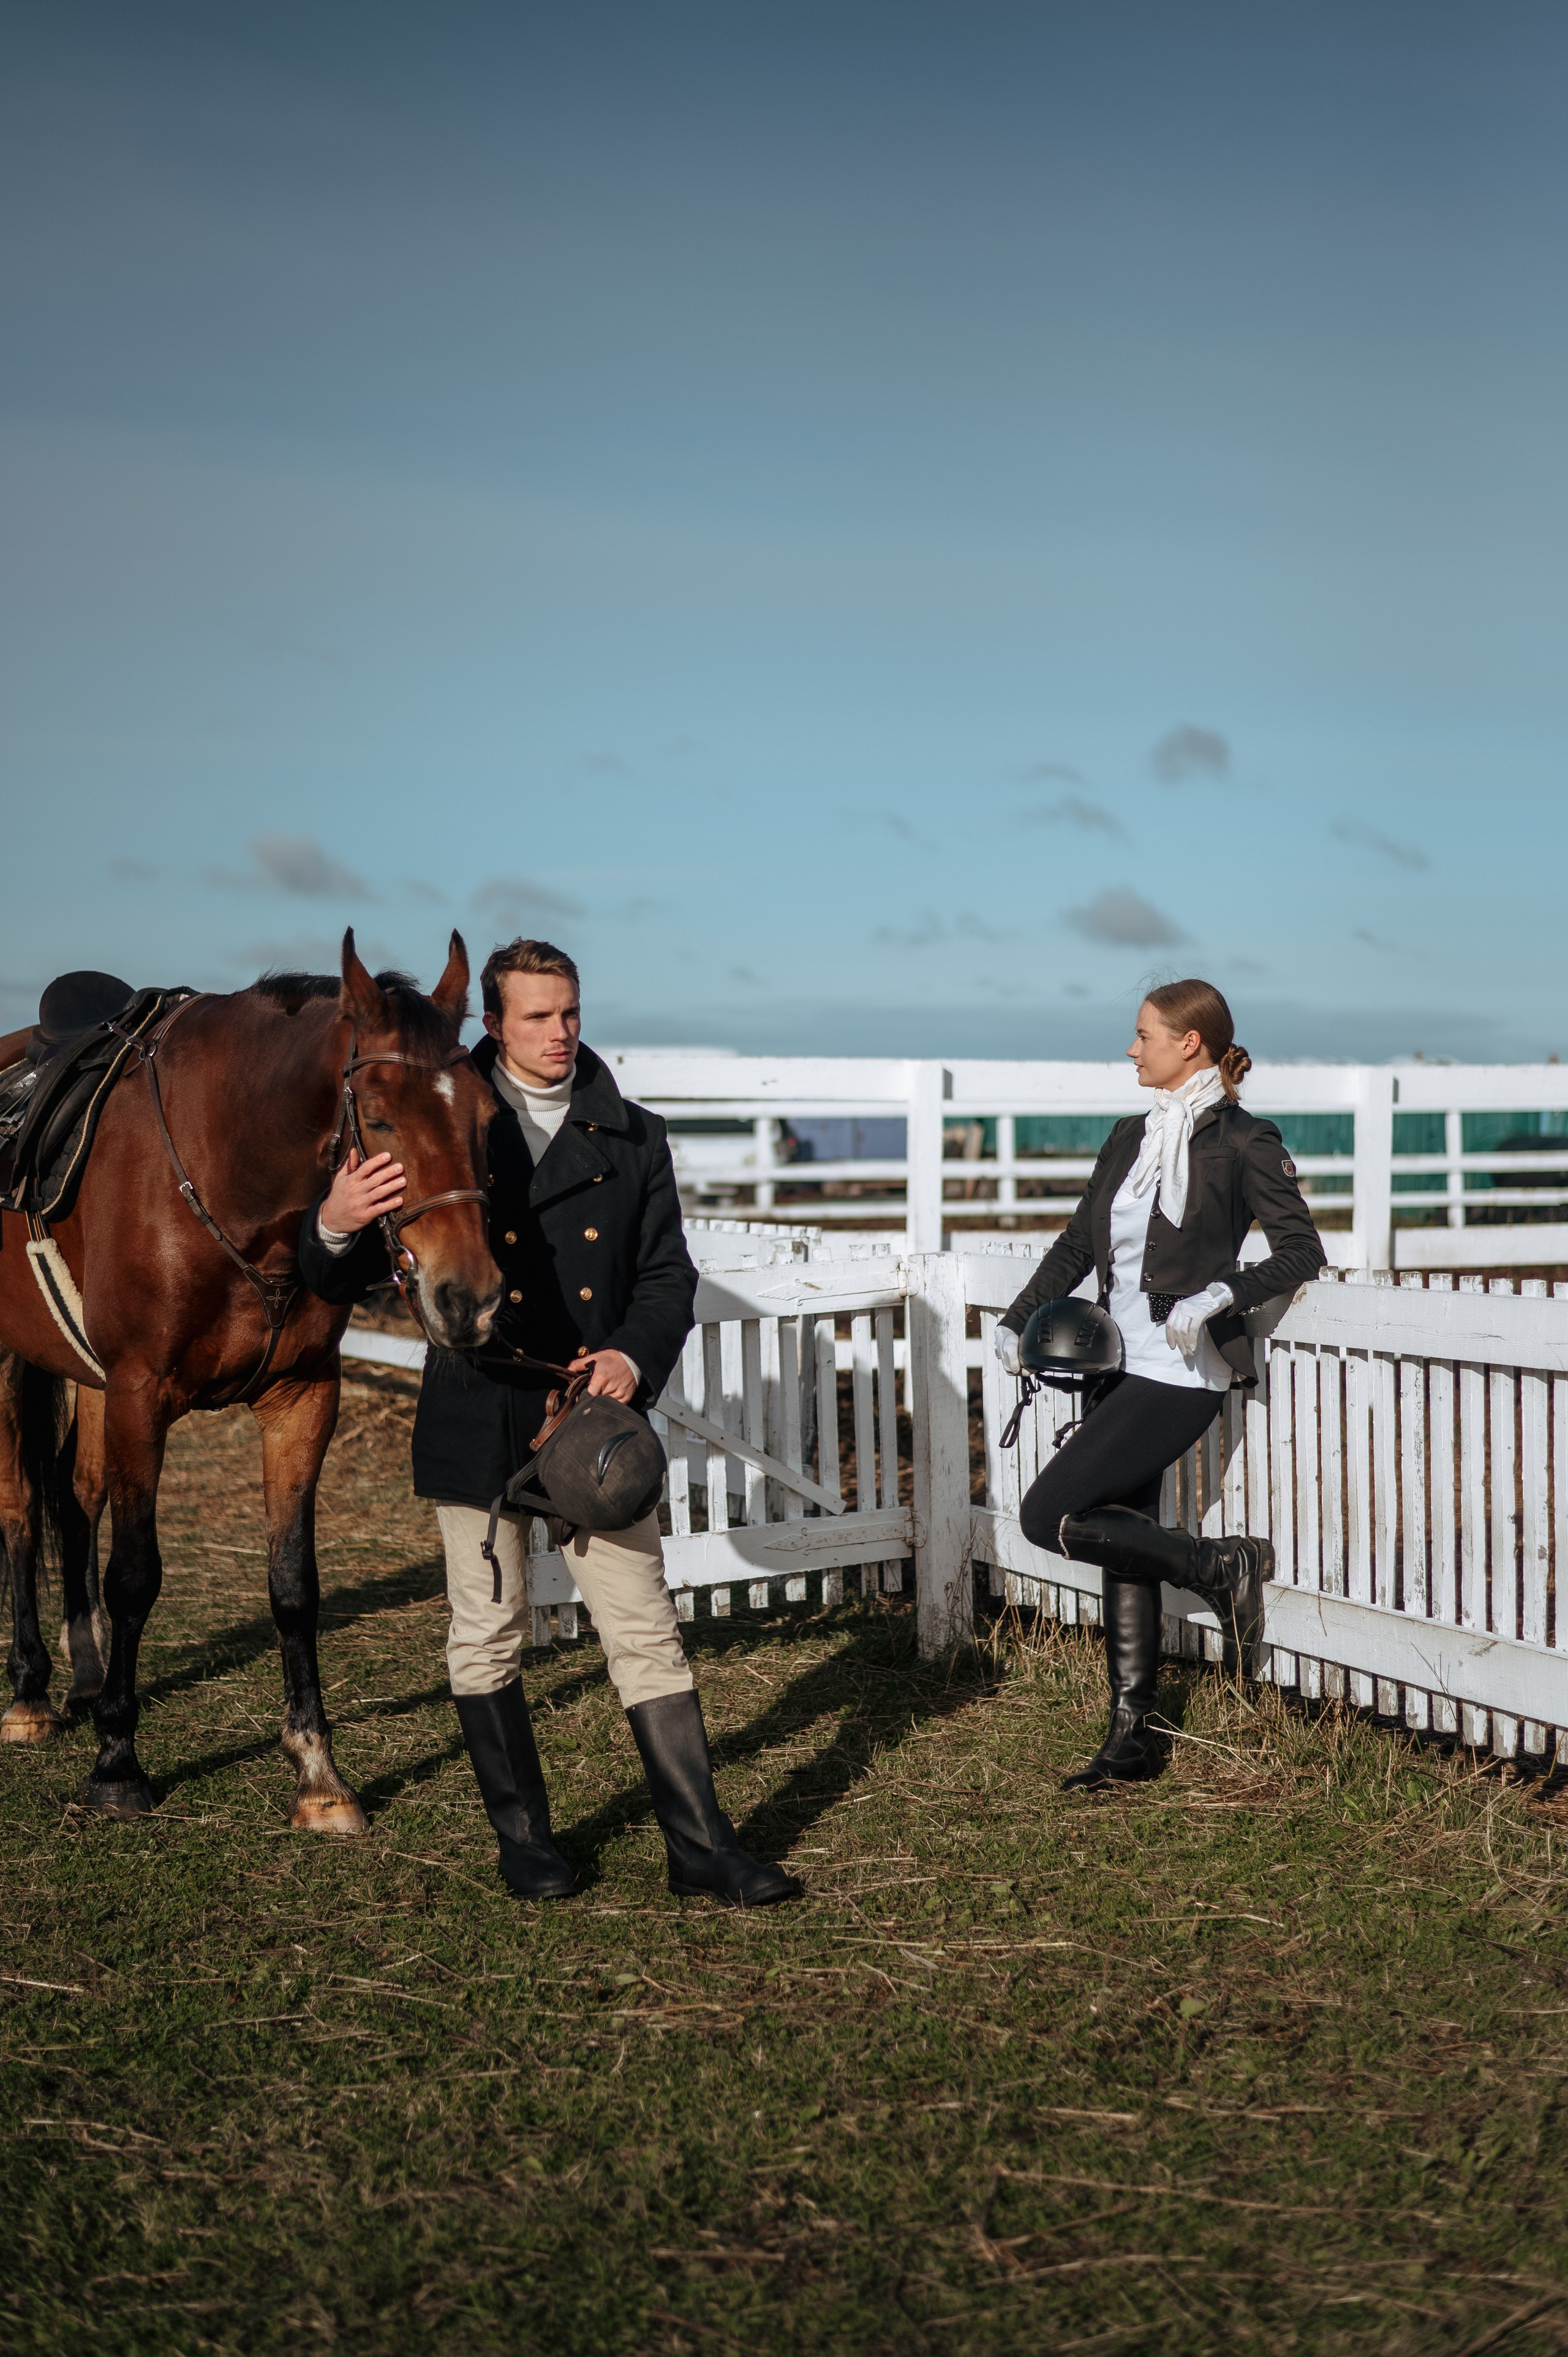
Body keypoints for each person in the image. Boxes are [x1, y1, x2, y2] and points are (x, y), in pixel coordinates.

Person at [299, 937, 794, 1906]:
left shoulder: (633, 1135)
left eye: (569, 1012)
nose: (560, 1032)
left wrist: (631, 1358)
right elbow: (336, 1279)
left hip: (591, 1420)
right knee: (487, 1630)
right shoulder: (436, 1111)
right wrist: (335, 1219)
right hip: (478, 1406)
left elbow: (667, 1275)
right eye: (536, 1016)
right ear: (492, 1022)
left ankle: (701, 1849)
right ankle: (525, 1842)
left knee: (644, 1627)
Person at [994, 979, 1325, 1790]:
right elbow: (1079, 1243)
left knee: (1046, 1515)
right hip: (1117, 1364)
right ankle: (1132, 1738)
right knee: (1124, 1543)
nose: (1131, 1048)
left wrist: (1224, 1294)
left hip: (1183, 1370)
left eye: (1144, 1035)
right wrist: (1019, 1317)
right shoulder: (1129, 1137)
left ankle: (1217, 1567)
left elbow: (1301, 1250)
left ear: (1190, 1043)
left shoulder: (1244, 1140)